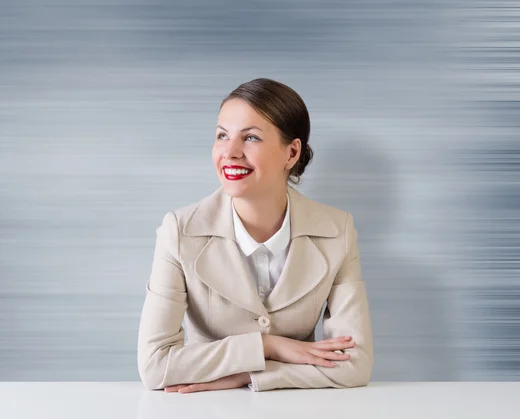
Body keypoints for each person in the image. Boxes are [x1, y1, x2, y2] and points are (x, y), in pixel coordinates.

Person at [137, 78, 374, 393]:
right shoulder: (179, 231)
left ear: (291, 153)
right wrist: (267, 346)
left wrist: (250, 375)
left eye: (250, 138)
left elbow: (354, 365)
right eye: (222, 135)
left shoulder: (337, 231)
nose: (230, 152)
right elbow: (155, 366)